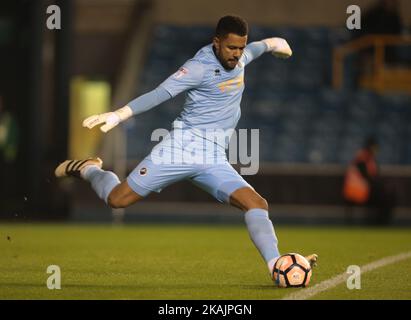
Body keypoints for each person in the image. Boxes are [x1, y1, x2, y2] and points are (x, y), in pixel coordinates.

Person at [55, 16, 317, 281]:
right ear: (217, 43)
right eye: (231, 48)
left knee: (257, 203)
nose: (237, 54)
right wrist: (119, 114)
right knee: (117, 200)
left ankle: (275, 266)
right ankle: (89, 169)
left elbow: (256, 49)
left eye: (240, 48)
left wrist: (275, 44)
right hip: (180, 149)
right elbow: (159, 93)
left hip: (214, 157)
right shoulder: (198, 67)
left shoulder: (240, 58)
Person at [343, 136, 396, 225]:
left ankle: (381, 222)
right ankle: (380, 223)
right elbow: (368, 177)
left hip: (364, 191)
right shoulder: (362, 158)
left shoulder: (368, 159)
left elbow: (373, 177)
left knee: (388, 195)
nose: (375, 150)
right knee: (386, 196)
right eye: (374, 147)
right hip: (359, 192)